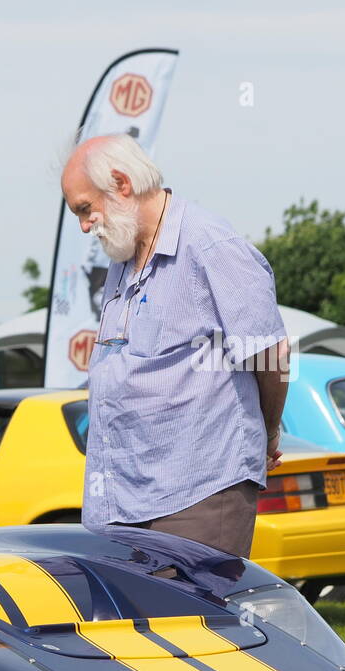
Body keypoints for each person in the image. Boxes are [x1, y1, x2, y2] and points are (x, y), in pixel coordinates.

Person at [60, 133, 291, 558]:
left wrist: (267, 431)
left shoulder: (209, 244)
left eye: (85, 209)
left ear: (121, 183)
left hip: (198, 493)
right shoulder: (124, 259)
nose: (84, 225)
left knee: (194, 623)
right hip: (124, 500)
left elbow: (271, 354)